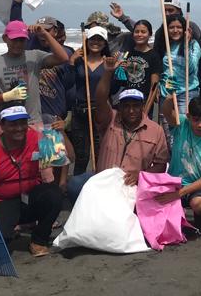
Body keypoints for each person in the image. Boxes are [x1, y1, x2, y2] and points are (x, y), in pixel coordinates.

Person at [66, 52, 170, 200]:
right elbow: (100, 99)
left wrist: (140, 176)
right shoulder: (110, 119)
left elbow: (160, 165)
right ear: (119, 107)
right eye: (126, 106)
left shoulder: (156, 130)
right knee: (75, 185)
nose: (131, 110)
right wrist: (108, 72)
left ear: (142, 106)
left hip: (132, 186)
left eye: (136, 106)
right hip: (104, 182)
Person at [0, 105, 64, 257]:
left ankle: (39, 240)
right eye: (13, 124)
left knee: (54, 194)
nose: (19, 128)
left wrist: (60, 135)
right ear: (2, 125)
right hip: (2, 201)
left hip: (30, 197)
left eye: (22, 123)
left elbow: (66, 159)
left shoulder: (39, 137)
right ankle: (7, 231)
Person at [0, 19, 69, 123]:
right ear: (5, 38)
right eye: (14, 40)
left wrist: (45, 34)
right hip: (6, 124)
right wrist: (6, 96)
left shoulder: (35, 56)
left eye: (22, 40)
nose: (18, 44)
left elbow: (63, 57)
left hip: (32, 122)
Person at [161, 91, 201, 226]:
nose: (200, 125)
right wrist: (170, 97)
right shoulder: (181, 123)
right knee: (153, 198)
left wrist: (180, 193)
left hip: (198, 187)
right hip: (174, 182)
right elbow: (166, 111)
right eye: (195, 120)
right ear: (188, 116)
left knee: (199, 204)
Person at [68, 26, 111, 174]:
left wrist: (111, 70)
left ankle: (99, 186)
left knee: (101, 154)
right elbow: (68, 83)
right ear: (86, 41)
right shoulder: (79, 61)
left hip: (100, 112)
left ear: (105, 43)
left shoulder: (108, 63)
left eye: (100, 39)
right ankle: (78, 190)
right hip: (80, 111)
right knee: (82, 155)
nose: (96, 42)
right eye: (93, 39)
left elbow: (115, 87)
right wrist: (72, 61)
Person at [112, 19, 162, 113]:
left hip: (143, 100)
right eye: (137, 32)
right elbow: (120, 80)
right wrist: (117, 67)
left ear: (150, 34)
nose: (139, 34)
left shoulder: (154, 55)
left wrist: (147, 109)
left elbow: (153, 85)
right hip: (127, 98)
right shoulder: (127, 53)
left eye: (143, 32)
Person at [155, 14, 200, 115]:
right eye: (171, 27)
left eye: (179, 27)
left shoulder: (193, 44)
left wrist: (185, 45)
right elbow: (160, 70)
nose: (175, 30)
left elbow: (191, 68)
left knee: (183, 126)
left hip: (187, 92)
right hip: (167, 92)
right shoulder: (164, 45)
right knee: (167, 128)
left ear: (184, 28)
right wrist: (158, 87)